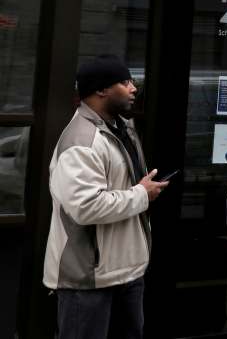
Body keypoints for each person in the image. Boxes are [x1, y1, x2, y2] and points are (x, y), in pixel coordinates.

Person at [44, 55, 168, 339]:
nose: (133, 88)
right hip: (88, 280)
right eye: (125, 82)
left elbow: (121, 189)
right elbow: (86, 207)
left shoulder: (122, 129)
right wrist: (141, 194)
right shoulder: (80, 141)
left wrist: (142, 189)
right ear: (102, 90)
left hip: (127, 272)